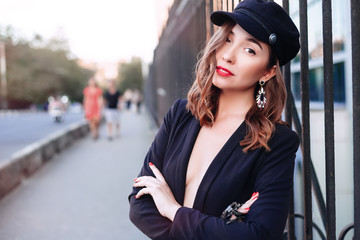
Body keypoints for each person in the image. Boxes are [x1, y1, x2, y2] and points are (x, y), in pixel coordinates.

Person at [129, 0, 300, 239]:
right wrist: (215, 228)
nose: (228, 55)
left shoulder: (276, 142)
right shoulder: (181, 115)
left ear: (268, 71)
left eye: (249, 50)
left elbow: (259, 234)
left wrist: (173, 210)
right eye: (228, 39)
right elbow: (139, 204)